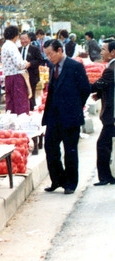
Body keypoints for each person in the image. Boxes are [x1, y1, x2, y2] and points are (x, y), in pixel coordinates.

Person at [42, 39, 91, 195]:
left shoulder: (75, 66)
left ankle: (70, 183)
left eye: (51, 54)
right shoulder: (52, 67)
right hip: (54, 115)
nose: (49, 57)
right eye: (47, 55)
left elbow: (85, 89)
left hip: (70, 116)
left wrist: (75, 106)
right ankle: (57, 179)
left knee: (70, 150)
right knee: (50, 147)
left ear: (60, 51)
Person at [90, 39, 115, 186]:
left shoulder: (110, 69)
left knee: (102, 145)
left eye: (104, 49)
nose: (101, 52)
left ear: (112, 52)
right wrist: (100, 94)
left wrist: (84, 87)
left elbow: (100, 84)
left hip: (111, 116)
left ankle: (106, 177)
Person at [1, 25, 30, 115]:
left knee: (10, 103)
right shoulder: (12, 46)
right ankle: (21, 123)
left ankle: (11, 123)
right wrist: (26, 63)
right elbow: (19, 64)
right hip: (16, 77)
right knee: (20, 102)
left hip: (8, 77)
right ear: (16, 35)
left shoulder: (5, 45)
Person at [20, 31, 43, 111]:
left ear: (29, 39)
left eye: (25, 38)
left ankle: (32, 111)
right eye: (21, 39)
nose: (23, 41)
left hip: (32, 75)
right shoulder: (18, 50)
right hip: (21, 76)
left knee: (31, 95)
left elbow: (40, 60)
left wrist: (30, 64)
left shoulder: (34, 49)